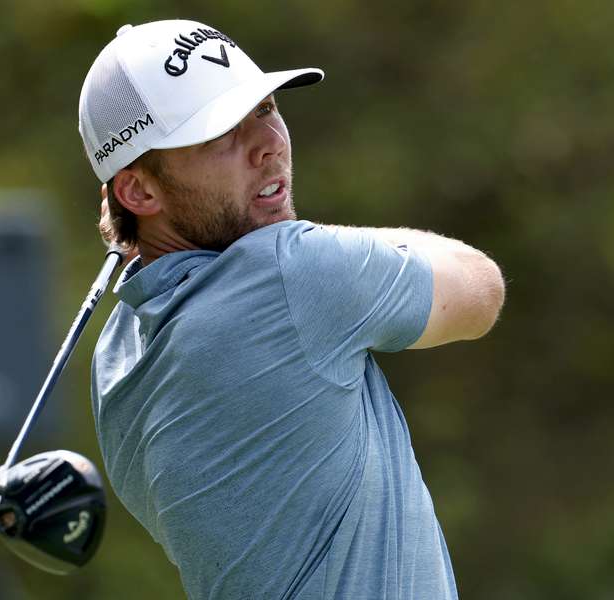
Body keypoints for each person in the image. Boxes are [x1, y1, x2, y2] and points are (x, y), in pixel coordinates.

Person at [79, 19, 504, 599]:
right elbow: (480, 289)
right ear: (139, 192)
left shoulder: (116, 361)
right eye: (222, 132)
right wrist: (314, 248)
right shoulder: (287, 273)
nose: (269, 143)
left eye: (266, 107)